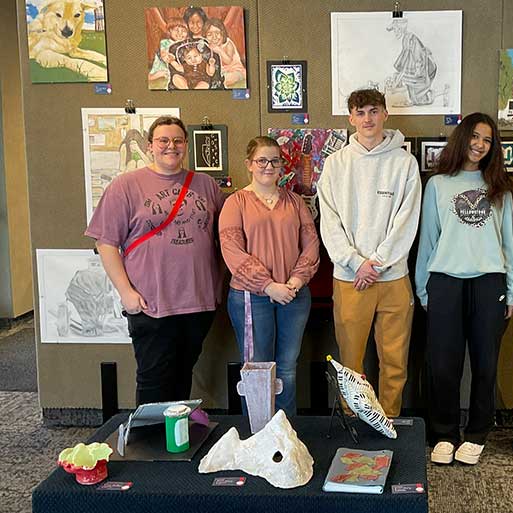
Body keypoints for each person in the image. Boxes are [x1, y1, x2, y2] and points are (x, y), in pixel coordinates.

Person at [85, 115, 225, 406]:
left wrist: (217, 285)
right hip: (151, 303)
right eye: (163, 140)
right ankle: (151, 433)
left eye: (177, 140)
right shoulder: (125, 186)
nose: (170, 146)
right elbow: (106, 243)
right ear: (149, 145)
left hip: (197, 302)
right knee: (153, 379)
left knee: (182, 374)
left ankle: (175, 431)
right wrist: (126, 292)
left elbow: (224, 237)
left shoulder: (206, 185)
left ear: (186, 145)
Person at [415, 112, 513, 465]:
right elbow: (428, 239)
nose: (480, 144)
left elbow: (508, 244)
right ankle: (443, 433)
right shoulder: (438, 184)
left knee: (486, 364)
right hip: (445, 281)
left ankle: (477, 433)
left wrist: (511, 291)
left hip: (489, 283)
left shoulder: (500, 187)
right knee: (443, 364)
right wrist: (423, 288)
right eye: (475, 136)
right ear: (462, 138)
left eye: (487, 140)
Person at [317, 88, 421, 418]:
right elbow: (329, 221)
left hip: (393, 277)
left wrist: (376, 263)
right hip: (350, 278)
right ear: (351, 118)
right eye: (360, 113)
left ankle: (389, 419)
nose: (367, 119)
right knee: (351, 360)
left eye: (374, 111)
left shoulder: (405, 163)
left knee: (394, 359)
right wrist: (356, 262)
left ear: (385, 114)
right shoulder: (336, 164)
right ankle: (353, 418)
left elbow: (407, 220)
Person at [219, 136, 319, 416]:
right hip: (252, 298)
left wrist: (295, 281)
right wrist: (268, 285)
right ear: (249, 164)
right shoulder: (236, 202)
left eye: (274, 161)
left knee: (287, 368)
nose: (268, 166)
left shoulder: (295, 202)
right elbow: (232, 250)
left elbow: (311, 244)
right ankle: (258, 432)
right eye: (261, 160)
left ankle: (284, 432)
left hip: (294, 295)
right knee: (257, 369)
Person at [386, 18, 437, 106]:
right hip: (412, 66)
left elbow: (418, 55)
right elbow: (405, 55)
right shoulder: (406, 38)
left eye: (396, 29)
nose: (395, 32)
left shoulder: (411, 38)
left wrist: (417, 70)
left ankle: (424, 97)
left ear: (400, 28)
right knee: (403, 79)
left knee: (411, 84)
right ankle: (415, 98)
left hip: (420, 68)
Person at [204, 18, 246, 88]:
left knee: (225, 79)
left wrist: (219, 50)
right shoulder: (208, 47)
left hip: (235, 70)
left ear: (223, 33)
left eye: (217, 33)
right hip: (220, 72)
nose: (214, 37)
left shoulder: (228, 43)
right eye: (209, 34)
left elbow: (228, 61)